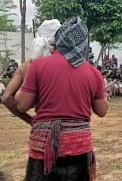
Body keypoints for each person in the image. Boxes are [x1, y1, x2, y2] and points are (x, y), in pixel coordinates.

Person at [15, 16, 109, 181]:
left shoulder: (38, 66)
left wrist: (22, 78)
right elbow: (102, 111)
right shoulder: (94, 73)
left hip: (45, 148)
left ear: (59, 40)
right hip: (79, 147)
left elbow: (22, 105)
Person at [1, 19, 62, 123]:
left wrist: (30, 120)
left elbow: (6, 97)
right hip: (71, 127)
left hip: (42, 126)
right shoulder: (69, 64)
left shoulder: (27, 65)